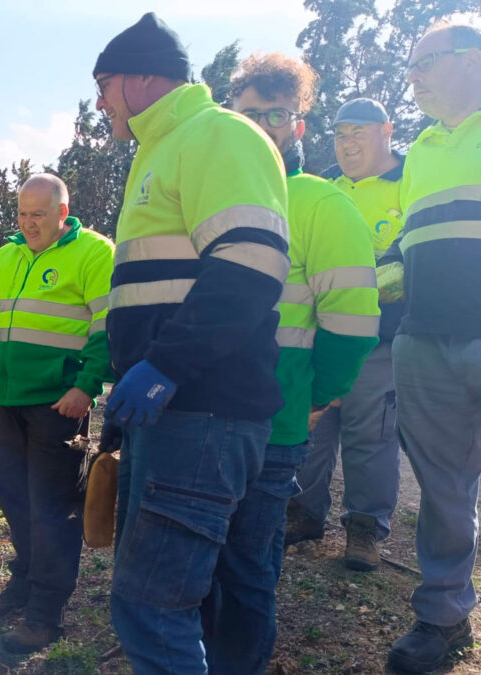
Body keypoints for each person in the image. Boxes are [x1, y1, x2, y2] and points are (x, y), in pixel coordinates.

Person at [91, 14, 291, 673]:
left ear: (146, 76)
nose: (100, 102)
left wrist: (164, 365)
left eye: (105, 83)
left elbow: (250, 267)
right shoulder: (163, 148)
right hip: (179, 414)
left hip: (201, 416)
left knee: (152, 607)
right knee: (169, 604)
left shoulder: (216, 135)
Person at [201, 53, 379, 672]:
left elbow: (353, 324)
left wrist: (314, 397)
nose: (261, 126)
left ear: (298, 125)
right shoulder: (207, 203)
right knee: (197, 564)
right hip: (199, 418)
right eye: (247, 113)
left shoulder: (318, 204)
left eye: (275, 114)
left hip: (273, 427)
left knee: (248, 568)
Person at [0, 174, 113, 653]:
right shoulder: (7, 255)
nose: (28, 224)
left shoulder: (94, 253)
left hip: (56, 404)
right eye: (22, 214)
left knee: (52, 508)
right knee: (14, 498)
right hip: (3, 401)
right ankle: (22, 582)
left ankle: (46, 613)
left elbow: (110, 326)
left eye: (37, 215)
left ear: (62, 213)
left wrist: (87, 386)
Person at [378, 24, 481, 673]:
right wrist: (393, 283)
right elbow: (414, 238)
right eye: (409, 67)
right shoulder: (420, 151)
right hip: (427, 341)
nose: (412, 77)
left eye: (427, 64)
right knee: (442, 488)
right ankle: (444, 616)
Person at [288, 97, 406, 570]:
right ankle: (302, 512)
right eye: (340, 134)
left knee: (370, 435)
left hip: (379, 338)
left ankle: (364, 529)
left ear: (387, 131)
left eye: (359, 132)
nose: (348, 143)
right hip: (318, 333)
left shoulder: (410, 183)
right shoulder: (324, 188)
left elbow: (408, 258)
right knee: (311, 429)